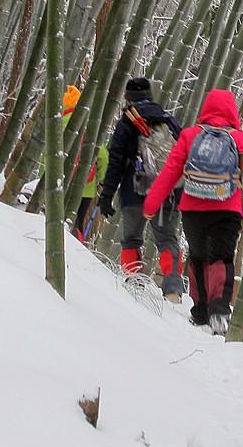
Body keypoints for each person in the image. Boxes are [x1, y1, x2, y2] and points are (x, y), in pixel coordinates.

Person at [143, 88, 243, 335]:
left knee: (198, 257)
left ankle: (200, 311)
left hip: (193, 208)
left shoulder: (190, 135)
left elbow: (169, 173)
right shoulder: (239, 139)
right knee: (221, 257)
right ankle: (219, 309)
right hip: (227, 208)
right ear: (232, 112)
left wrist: (151, 204)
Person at [97, 77, 184, 302]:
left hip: (134, 191)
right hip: (168, 192)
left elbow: (116, 159)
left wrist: (107, 194)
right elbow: (183, 156)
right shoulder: (169, 120)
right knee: (167, 239)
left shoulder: (127, 121)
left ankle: (133, 284)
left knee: (132, 239)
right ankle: (173, 290)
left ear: (128, 98)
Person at [40, 86, 108, 242]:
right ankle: (77, 247)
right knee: (77, 221)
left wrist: (43, 178)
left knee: (58, 218)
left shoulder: (56, 124)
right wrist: (102, 180)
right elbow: (103, 156)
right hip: (87, 185)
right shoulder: (90, 126)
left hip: (60, 181)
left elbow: (46, 155)